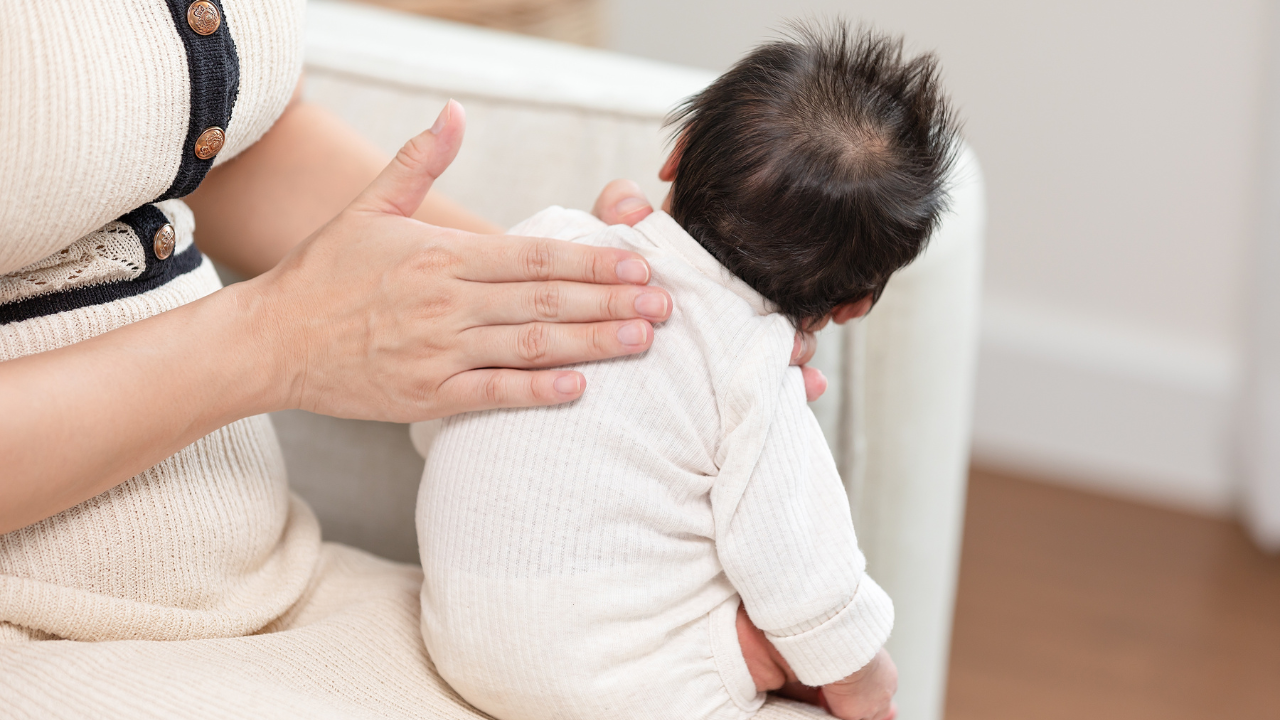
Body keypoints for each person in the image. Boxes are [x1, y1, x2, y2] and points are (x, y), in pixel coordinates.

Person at [0, 1, 828, 715]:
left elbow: (200, 144)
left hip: (270, 585)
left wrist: (591, 305)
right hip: (41, 630)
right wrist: (277, 341)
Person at [416, 23, 959, 720]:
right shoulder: (750, 362)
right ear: (854, 306)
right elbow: (803, 560)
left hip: (458, 634)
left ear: (673, 158)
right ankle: (748, 658)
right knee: (755, 592)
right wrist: (864, 680)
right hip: (618, 688)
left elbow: (447, 409)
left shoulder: (554, 241)